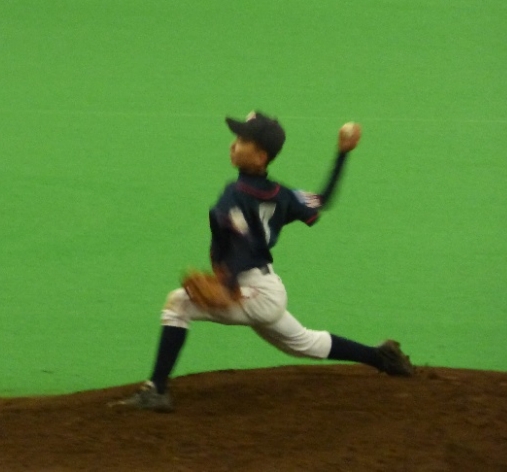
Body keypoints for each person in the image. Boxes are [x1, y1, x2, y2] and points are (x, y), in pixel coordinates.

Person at [112, 111, 414, 413]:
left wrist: (228, 286)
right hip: (266, 289)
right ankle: (381, 357)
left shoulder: (234, 194)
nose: (233, 145)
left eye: (243, 140)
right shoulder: (282, 194)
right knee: (305, 342)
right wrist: (342, 154)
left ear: (260, 157)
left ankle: (157, 390)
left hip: (255, 291)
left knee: (178, 304)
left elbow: (242, 244)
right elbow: (323, 199)